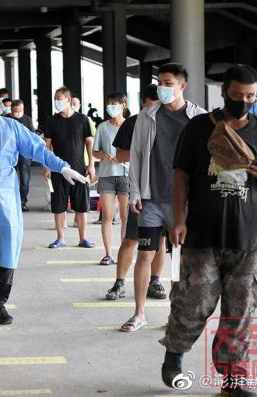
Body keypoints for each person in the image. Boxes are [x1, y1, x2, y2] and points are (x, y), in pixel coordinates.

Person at [160, 64, 257, 397]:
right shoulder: (200, 127)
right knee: (193, 300)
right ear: (223, 92)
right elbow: (180, 174)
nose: (243, 101)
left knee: (241, 310)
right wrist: (178, 218)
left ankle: (233, 378)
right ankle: (174, 355)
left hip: (248, 237)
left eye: (250, 96)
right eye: (236, 95)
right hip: (202, 233)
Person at [0, 81, 86, 325]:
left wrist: (62, 167)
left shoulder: (11, 127)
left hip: (5, 194)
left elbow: (38, 150)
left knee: (5, 247)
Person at [122, 63, 207, 331]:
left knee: (179, 260)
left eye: (168, 83)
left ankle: (176, 315)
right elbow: (135, 155)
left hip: (183, 204)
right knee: (144, 254)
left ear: (182, 86)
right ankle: (139, 314)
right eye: (160, 82)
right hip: (151, 199)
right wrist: (135, 191)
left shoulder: (200, 118)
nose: (162, 88)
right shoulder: (148, 116)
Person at [106, 84, 167, 300]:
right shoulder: (133, 123)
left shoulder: (168, 121)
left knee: (160, 241)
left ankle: (155, 281)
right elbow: (120, 156)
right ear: (143, 103)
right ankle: (119, 283)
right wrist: (143, 151)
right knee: (132, 239)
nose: (155, 109)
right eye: (153, 104)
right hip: (141, 190)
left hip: (166, 192)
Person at [42, 86, 95, 249]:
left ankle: (83, 238)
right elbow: (47, 145)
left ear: (69, 100)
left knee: (81, 206)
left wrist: (91, 164)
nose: (57, 101)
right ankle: (60, 238)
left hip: (79, 169)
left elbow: (89, 143)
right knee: (59, 205)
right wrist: (47, 166)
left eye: (60, 98)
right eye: (55, 99)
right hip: (58, 169)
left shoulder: (82, 120)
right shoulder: (51, 121)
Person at [92, 92, 129, 266]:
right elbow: (94, 151)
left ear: (124, 105)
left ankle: (124, 252)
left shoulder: (130, 126)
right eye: (109, 104)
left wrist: (124, 157)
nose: (111, 107)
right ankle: (108, 253)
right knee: (107, 216)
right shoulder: (102, 127)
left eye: (115, 104)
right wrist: (103, 156)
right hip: (107, 175)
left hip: (126, 175)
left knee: (125, 216)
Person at [8, 99, 35, 211]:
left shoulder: (27, 119)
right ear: (11, 110)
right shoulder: (7, 119)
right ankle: (10, 202)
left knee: (25, 180)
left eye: (20, 110)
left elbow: (32, 135)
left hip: (24, 154)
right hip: (10, 153)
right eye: (16, 110)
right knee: (9, 179)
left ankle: (22, 202)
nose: (18, 113)